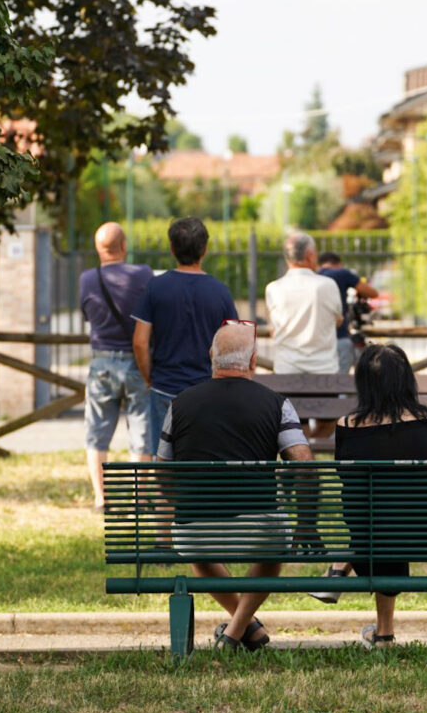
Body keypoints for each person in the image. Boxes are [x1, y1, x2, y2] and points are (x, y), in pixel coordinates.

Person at [156, 323, 315, 651]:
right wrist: (305, 525)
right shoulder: (276, 403)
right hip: (259, 527)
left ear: (211, 357)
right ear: (254, 361)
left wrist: (179, 501)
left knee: (195, 548)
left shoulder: (180, 404)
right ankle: (238, 631)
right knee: (276, 546)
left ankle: (242, 629)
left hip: (195, 529)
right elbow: (304, 465)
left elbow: (162, 471)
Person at [334, 344, 427, 648]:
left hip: (372, 538)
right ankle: (383, 633)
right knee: (393, 520)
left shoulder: (347, 425)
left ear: (364, 383)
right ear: (406, 379)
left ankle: (339, 567)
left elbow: (347, 481)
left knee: (379, 521)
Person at [132, 217, 238, 458]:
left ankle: (165, 497)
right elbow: (234, 342)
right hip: (207, 390)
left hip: (164, 386)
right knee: (204, 455)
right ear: (205, 249)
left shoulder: (155, 288)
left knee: (163, 459)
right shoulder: (220, 291)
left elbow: (139, 342)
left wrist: (150, 378)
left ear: (172, 248)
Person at [79, 222, 153, 511]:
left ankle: (102, 498)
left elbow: (86, 313)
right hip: (137, 362)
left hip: (102, 363)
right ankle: (140, 498)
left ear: (99, 249)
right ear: (124, 246)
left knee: (96, 431)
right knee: (142, 431)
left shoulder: (87, 279)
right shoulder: (143, 274)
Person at [265, 233, 343, 375]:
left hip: (286, 370)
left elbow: (274, 329)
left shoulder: (273, 289)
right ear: (309, 255)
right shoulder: (328, 285)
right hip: (324, 372)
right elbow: (337, 320)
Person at [317, 252, 378, 373]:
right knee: (341, 379)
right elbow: (373, 293)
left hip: (317, 339)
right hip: (340, 337)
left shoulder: (314, 275)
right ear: (338, 264)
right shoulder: (341, 273)